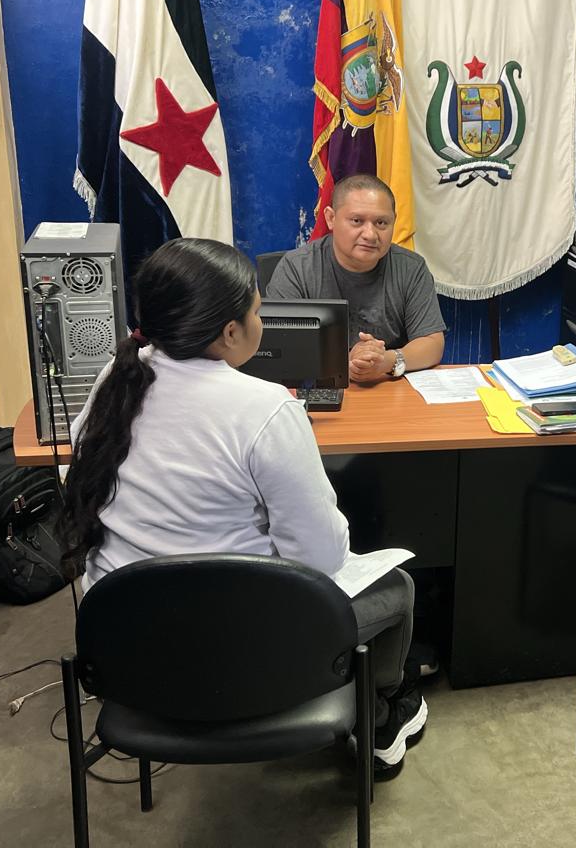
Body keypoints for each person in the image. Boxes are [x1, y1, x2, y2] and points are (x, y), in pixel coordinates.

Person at [60, 238, 426, 772]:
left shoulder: (114, 379)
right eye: (258, 311)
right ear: (231, 332)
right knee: (398, 588)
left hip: (129, 649)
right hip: (241, 653)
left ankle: (378, 711)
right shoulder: (265, 407)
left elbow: (78, 479)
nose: (262, 321)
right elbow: (320, 558)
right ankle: (381, 717)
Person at [266, 174, 446, 383]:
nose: (370, 234)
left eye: (381, 222)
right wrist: (344, 362)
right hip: (320, 388)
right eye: (357, 221)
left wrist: (387, 361)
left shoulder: (411, 268)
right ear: (331, 218)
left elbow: (432, 343)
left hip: (387, 387)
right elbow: (279, 347)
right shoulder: (297, 267)